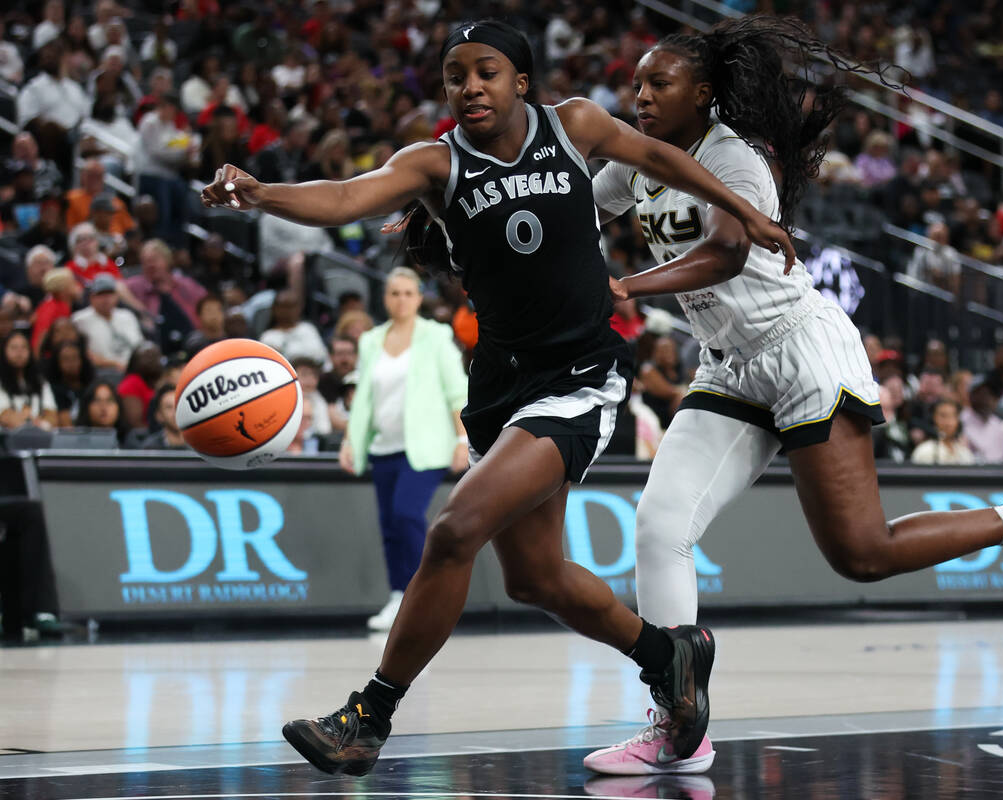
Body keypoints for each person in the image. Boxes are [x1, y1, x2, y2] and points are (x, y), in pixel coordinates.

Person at [203, 18, 794, 777]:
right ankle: (671, 657)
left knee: (455, 530)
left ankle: (368, 717)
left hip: (578, 376)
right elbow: (347, 196)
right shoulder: (434, 163)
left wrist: (746, 211)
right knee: (534, 577)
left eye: (486, 71)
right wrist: (260, 194)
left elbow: (659, 157)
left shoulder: (572, 125)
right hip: (501, 387)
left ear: (521, 81)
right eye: (455, 76)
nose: (469, 87)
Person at [583, 16, 1003, 775]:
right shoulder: (637, 159)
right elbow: (573, 213)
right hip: (728, 365)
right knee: (660, 528)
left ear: (706, 94)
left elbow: (725, 252)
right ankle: (678, 724)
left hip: (798, 352)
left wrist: (624, 284)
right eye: (637, 86)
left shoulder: (739, 156)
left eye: (660, 84)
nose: (643, 97)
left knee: (862, 554)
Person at [340, 267, 471, 631]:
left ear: (418, 297)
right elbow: (364, 399)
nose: (401, 300)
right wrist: (352, 440)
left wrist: (462, 439)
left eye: (408, 293)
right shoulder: (370, 341)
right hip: (384, 447)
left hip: (426, 447)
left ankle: (420, 599)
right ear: (385, 298)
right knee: (389, 526)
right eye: (394, 293)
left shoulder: (436, 336)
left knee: (405, 514)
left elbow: (456, 393)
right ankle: (399, 596)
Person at [71, 272, 144, 373]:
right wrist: (113, 364)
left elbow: (140, 345)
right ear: (91, 297)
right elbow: (80, 352)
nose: (106, 299)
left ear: (116, 296)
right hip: (102, 371)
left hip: (135, 369)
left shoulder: (127, 316)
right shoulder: (79, 320)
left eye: (109, 293)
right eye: (101, 294)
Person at [0, 330, 57, 431]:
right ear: (4, 351)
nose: (19, 352)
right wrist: (31, 421)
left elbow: (52, 417)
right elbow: (5, 417)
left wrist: (36, 423)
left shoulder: (40, 381)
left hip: (39, 438)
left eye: (24, 347)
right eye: (14, 347)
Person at [45, 340, 95, 427]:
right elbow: (65, 424)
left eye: (75, 358)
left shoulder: (92, 387)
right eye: (66, 359)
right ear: (57, 362)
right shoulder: (52, 389)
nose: (71, 363)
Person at [73, 378, 130, 446]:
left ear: (118, 406)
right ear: (86, 406)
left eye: (109, 400)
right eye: (97, 400)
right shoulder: (75, 443)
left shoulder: (130, 442)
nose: (103, 407)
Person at [138, 383, 186, 449]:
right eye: (169, 407)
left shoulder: (199, 444)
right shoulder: (150, 447)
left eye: (178, 405)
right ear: (159, 415)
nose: (175, 412)